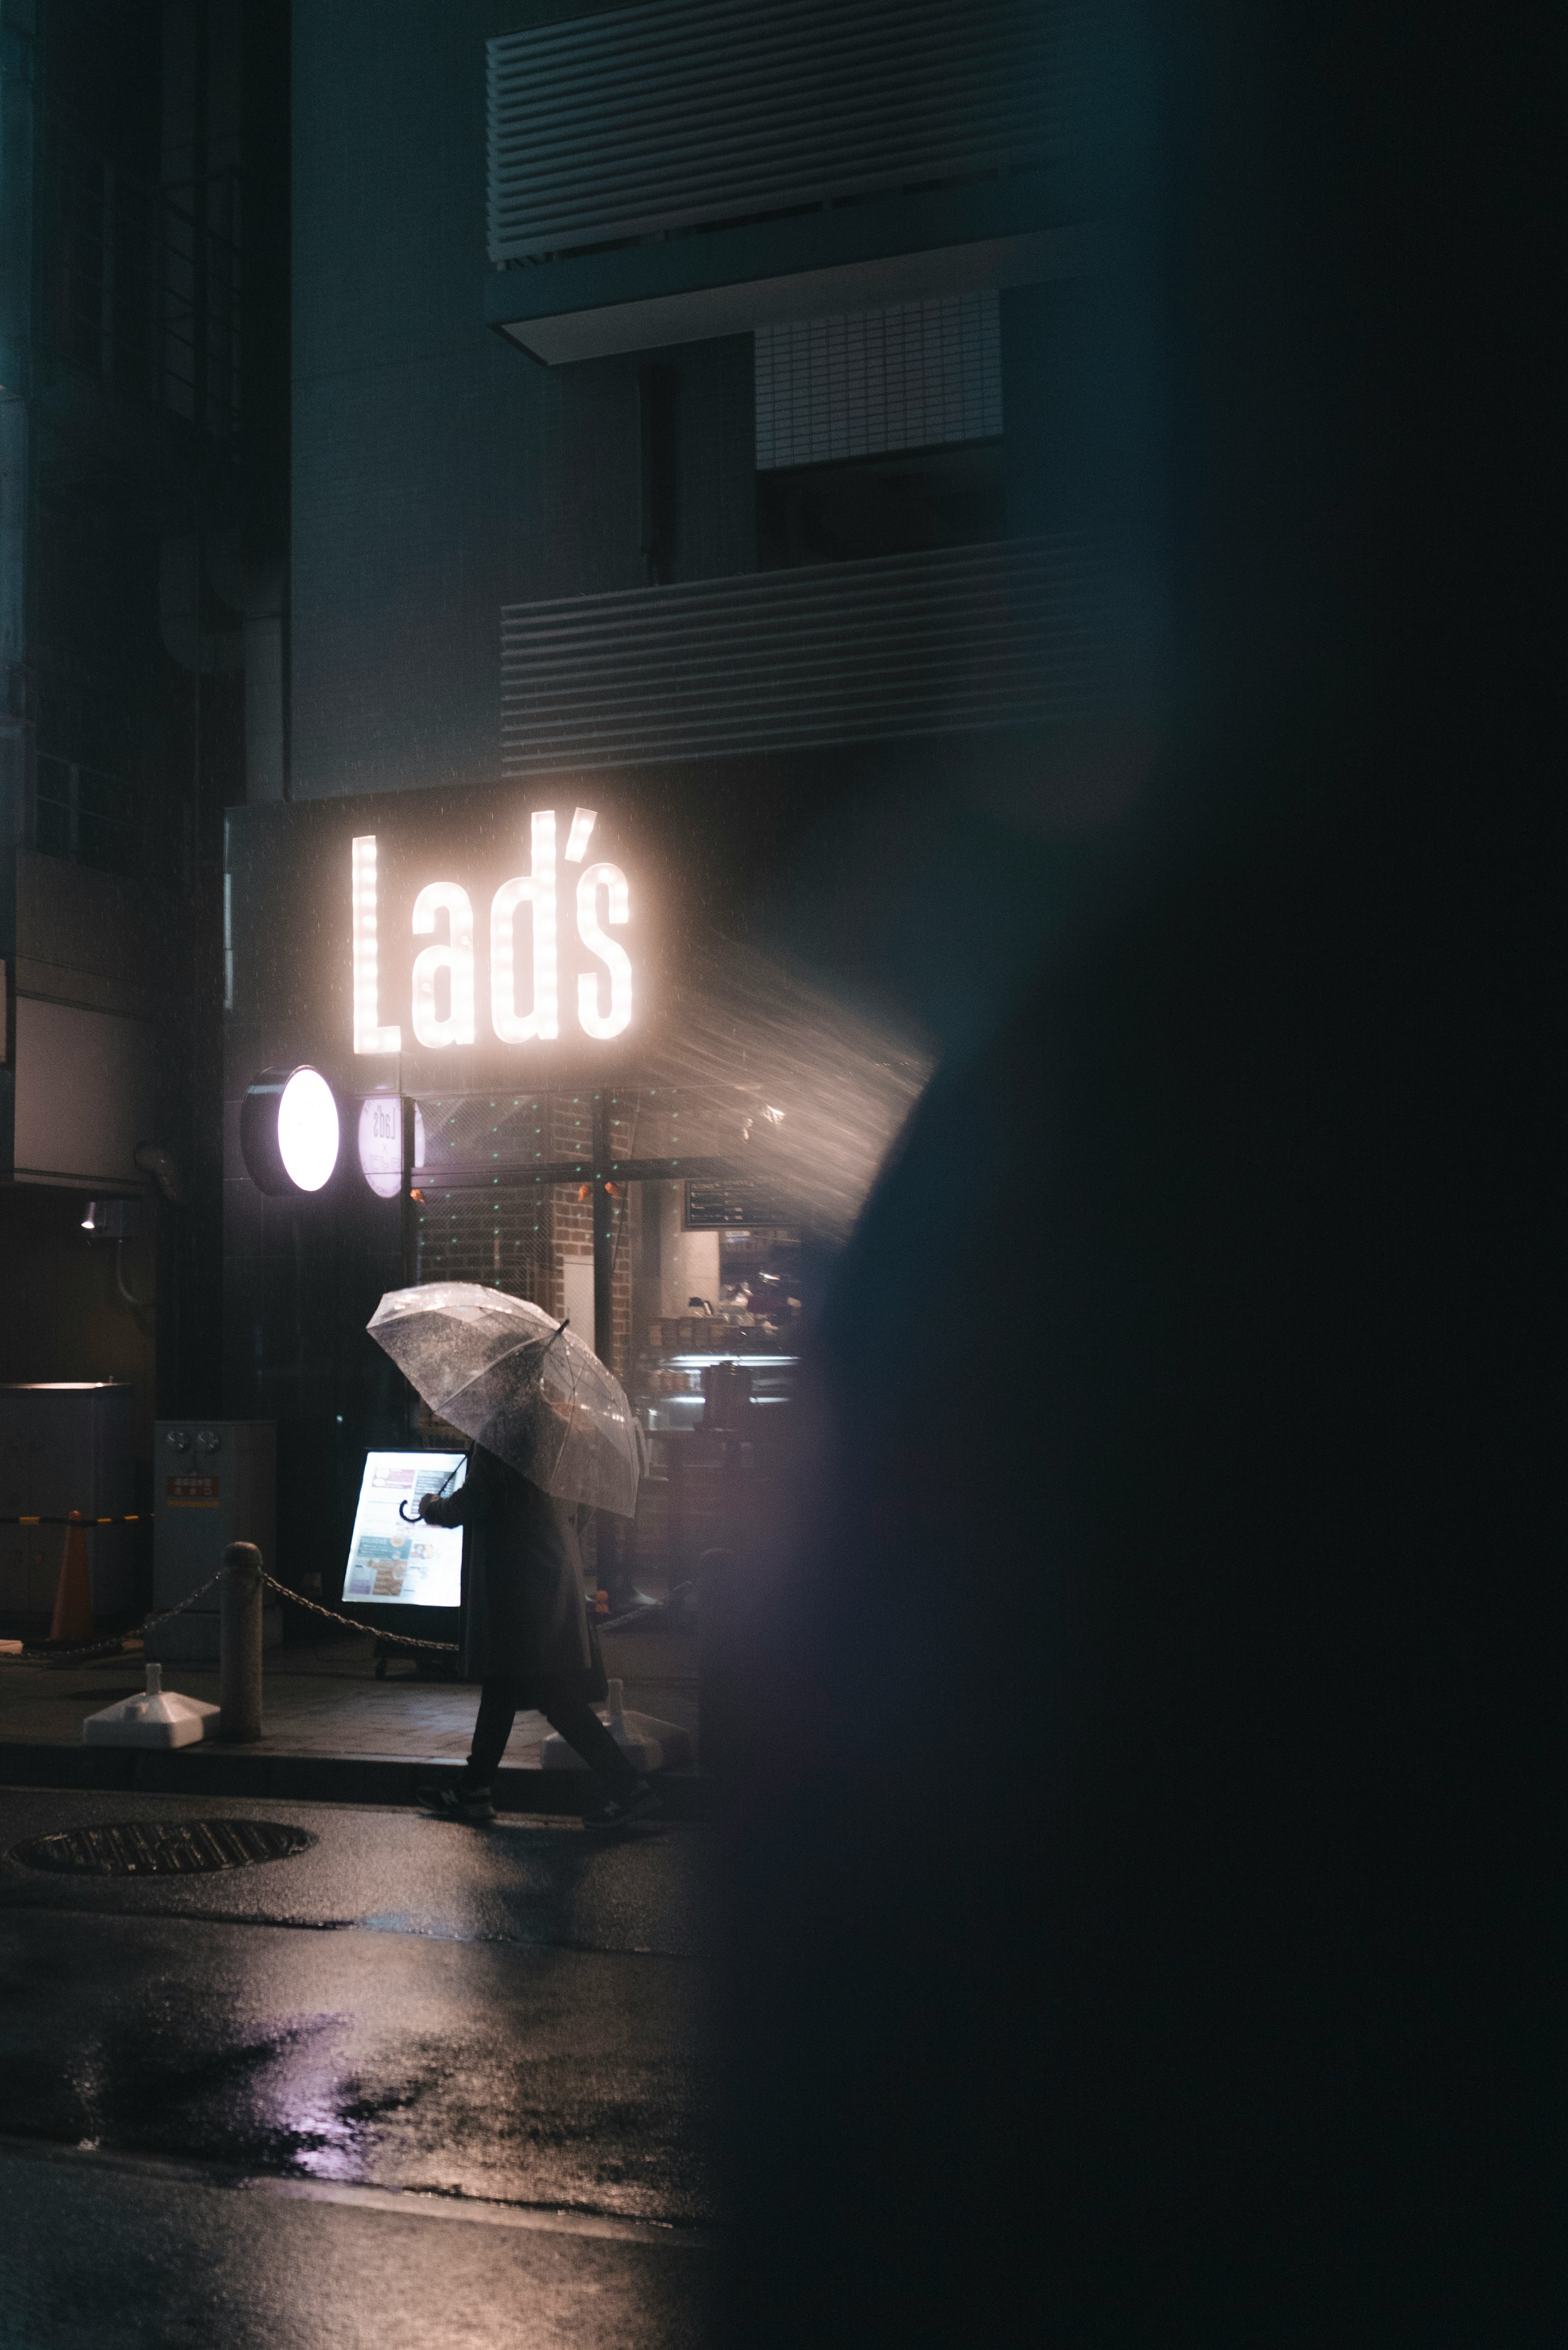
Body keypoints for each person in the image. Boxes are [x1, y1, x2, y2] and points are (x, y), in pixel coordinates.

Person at [412, 1441, 657, 1828]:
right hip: (551, 1567)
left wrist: (431, 1508)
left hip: (516, 1582)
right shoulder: (558, 1433)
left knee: (549, 1693)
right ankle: (474, 1788)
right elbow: (585, 1505)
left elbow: (473, 1500)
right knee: (505, 1686)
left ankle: (628, 1787)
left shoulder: (505, 1434)